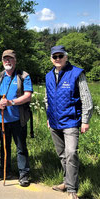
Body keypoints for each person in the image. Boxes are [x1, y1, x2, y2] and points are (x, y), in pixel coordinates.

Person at [45, 45, 93, 199]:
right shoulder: (48, 76)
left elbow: (86, 99)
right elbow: (47, 99)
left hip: (71, 121)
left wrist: (85, 120)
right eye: (55, 57)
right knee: (62, 154)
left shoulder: (76, 73)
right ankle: (66, 182)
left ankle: (72, 189)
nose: (57, 59)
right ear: (51, 59)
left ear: (66, 57)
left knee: (71, 153)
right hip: (54, 122)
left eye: (60, 56)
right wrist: (48, 117)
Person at [0, 50, 33, 187]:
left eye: (10, 59)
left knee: (21, 148)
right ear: (2, 61)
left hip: (18, 119)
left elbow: (28, 95)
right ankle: (5, 172)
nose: (7, 61)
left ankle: (23, 175)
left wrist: (11, 102)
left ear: (15, 60)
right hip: (2, 120)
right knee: (4, 147)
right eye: (5, 59)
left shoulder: (23, 76)